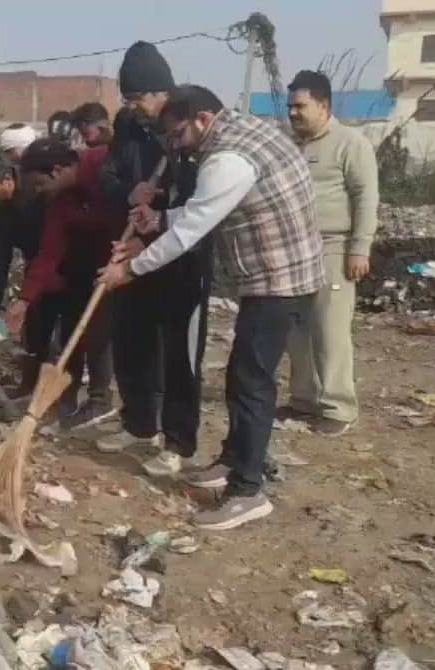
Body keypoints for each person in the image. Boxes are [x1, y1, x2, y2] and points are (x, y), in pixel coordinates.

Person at [99, 85, 325, 531]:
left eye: (177, 134)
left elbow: (192, 232)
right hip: (281, 274)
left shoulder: (226, 158)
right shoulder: (246, 132)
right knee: (243, 375)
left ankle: (247, 490)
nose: (176, 145)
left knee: (252, 383)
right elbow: (203, 208)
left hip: (279, 280)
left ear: (202, 119)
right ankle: (234, 459)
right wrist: (160, 219)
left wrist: (130, 269)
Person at [96, 41, 214, 483]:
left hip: (182, 253)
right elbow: (109, 175)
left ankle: (178, 442)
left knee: (180, 353)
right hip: (134, 244)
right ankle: (138, 423)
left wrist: (163, 205)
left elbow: (200, 203)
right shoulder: (129, 126)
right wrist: (130, 192)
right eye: (127, 99)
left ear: (161, 91)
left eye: (138, 98)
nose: (133, 107)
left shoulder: (192, 120)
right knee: (131, 337)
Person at [283, 70, 379, 436]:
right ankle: (303, 400)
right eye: (290, 107)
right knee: (297, 330)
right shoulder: (292, 145)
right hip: (295, 252)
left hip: (334, 250)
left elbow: (366, 197)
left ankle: (339, 408)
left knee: (329, 329)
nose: (293, 113)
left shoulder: (350, 144)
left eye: (300, 106)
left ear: (324, 106)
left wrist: (360, 248)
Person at [7, 138, 119, 428]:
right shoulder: (59, 201)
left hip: (127, 258)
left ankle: (100, 400)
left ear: (57, 170)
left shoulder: (105, 163)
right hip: (84, 266)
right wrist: (25, 300)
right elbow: (49, 252)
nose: (38, 191)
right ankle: (64, 398)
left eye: (39, 184)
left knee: (100, 332)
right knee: (73, 331)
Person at [0, 151, 47, 398]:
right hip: (35, 264)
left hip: (63, 261)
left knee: (68, 330)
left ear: (7, 180)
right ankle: (30, 385)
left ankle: (83, 394)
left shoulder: (38, 191)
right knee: (35, 328)